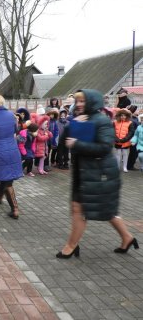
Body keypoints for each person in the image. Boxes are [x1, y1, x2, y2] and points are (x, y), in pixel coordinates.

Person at [56, 89, 137, 259]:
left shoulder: (102, 121)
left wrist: (78, 144)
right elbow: (63, 142)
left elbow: (105, 147)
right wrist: (73, 124)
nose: (78, 104)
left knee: (82, 210)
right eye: (77, 101)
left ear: (92, 102)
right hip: (84, 172)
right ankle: (127, 238)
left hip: (99, 173)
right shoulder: (79, 119)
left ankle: (71, 246)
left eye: (82, 101)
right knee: (104, 210)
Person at [113, 108, 135, 172]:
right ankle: (117, 167)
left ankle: (125, 167)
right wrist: (116, 139)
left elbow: (131, 132)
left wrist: (125, 139)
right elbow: (112, 131)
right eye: (121, 115)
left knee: (125, 154)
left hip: (126, 142)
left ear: (127, 116)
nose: (123, 117)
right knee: (118, 154)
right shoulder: (115, 122)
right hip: (117, 141)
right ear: (119, 116)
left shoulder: (130, 123)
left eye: (124, 115)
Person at [126, 105, 139, 170]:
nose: (138, 111)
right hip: (134, 138)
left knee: (134, 153)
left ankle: (130, 165)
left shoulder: (135, 118)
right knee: (134, 153)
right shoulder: (131, 119)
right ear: (133, 111)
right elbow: (131, 131)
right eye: (136, 110)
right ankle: (129, 166)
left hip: (137, 138)